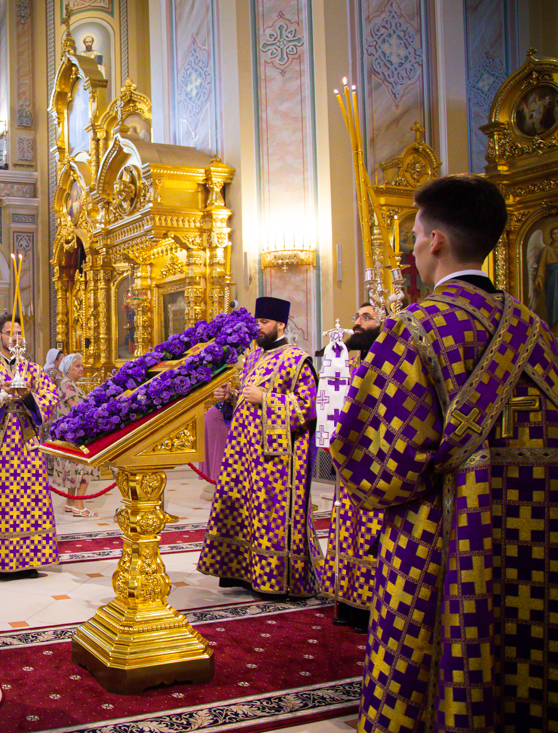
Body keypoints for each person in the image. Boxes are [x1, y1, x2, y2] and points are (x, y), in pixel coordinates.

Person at [331, 174, 558, 732]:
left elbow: (376, 467)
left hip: (437, 543)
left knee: (427, 672)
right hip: (530, 538)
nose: (411, 250)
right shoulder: (538, 331)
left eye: (413, 237)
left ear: (435, 241)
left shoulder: (413, 330)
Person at [197, 296, 318, 597]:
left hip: (276, 461)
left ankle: (275, 580)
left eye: (263, 323)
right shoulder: (253, 357)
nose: (258, 328)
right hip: (243, 454)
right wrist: (231, 394)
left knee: (269, 516)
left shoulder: (297, 359)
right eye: (257, 322)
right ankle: (244, 574)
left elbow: (308, 407)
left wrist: (266, 399)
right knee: (243, 511)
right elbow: (246, 398)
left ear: (280, 324)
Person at [0, 313, 60, 581]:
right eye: (10, 333)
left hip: (28, 446)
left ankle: (29, 561)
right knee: (2, 504)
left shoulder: (34, 369)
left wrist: (28, 396)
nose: (15, 338)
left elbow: (51, 399)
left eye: (19, 333)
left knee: (31, 503)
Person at [312, 302, 384, 634]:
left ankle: (369, 608)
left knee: (369, 534)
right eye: (356, 316)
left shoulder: (389, 365)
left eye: (367, 318)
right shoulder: (348, 362)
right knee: (348, 532)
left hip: (377, 467)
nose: (357, 323)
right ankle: (347, 600)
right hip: (349, 464)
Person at [49, 353, 100, 517]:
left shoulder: (71, 384)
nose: (81, 369)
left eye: (82, 366)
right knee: (84, 467)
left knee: (73, 467)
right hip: (75, 434)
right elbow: (76, 407)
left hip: (73, 433)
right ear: (67, 369)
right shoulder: (68, 385)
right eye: (77, 366)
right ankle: (79, 504)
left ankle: (70, 502)